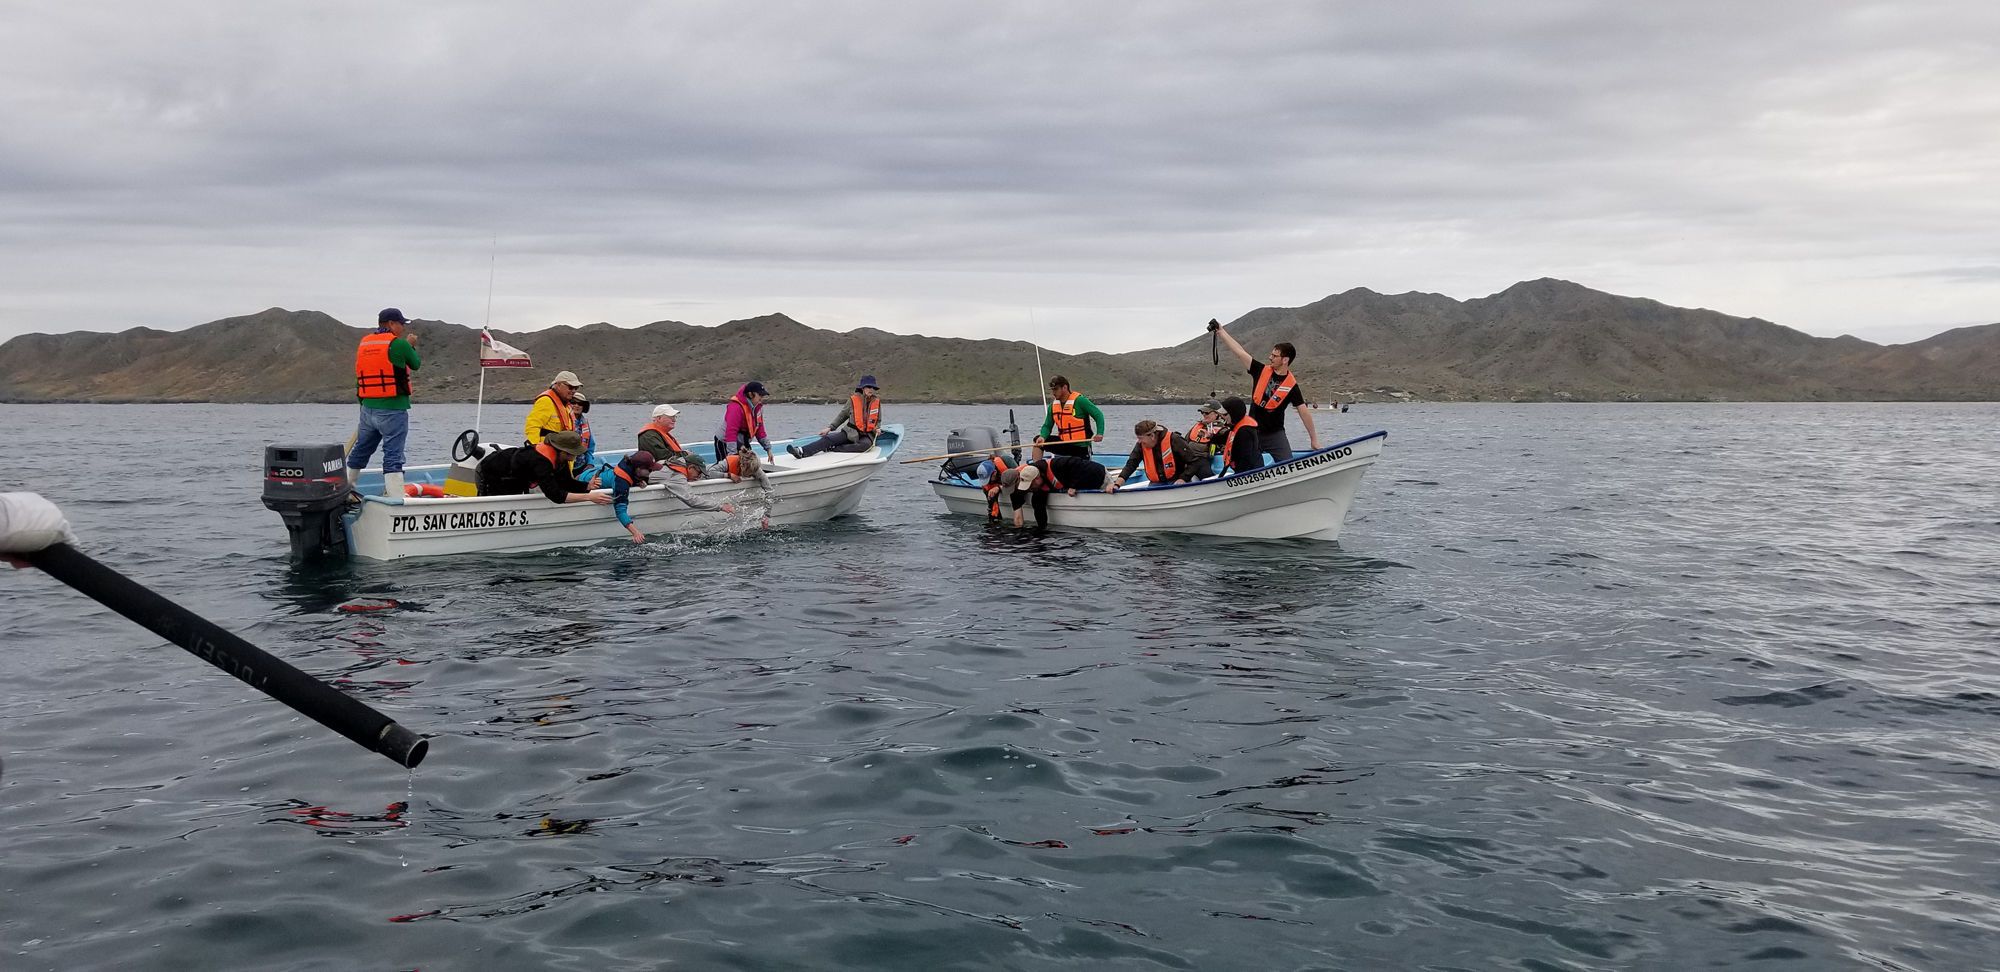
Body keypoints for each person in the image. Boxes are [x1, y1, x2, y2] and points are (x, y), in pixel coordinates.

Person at [1207, 319, 1321, 462]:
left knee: (1287, 463)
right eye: (1271, 354)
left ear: (1285, 360)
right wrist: (1221, 331)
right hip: (1252, 432)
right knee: (1246, 463)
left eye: (1274, 356)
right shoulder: (1260, 370)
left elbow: (1304, 412)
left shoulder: (1292, 387)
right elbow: (1240, 353)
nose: (1270, 357)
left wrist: (1314, 439)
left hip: (1275, 435)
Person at [347, 308, 422, 502]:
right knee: (393, 454)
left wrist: (364, 405)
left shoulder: (364, 343)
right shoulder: (399, 344)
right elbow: (415, 364)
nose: (403, 328)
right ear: (391, 324)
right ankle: (396, 498)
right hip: (393, 409)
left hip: (367, 408)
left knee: (361, 449)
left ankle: (346, 490)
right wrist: (411, 346)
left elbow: (360, 376)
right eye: (401, 324)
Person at [474, 431, 612, 506]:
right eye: (573, 453)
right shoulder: (540, 462)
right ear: (562, 451)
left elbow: (566, 483)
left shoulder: (561, 458)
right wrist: (589, 497)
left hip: (514, 475)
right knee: (502, 503)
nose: (575, 456)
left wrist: (587, 486)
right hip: (492, 473)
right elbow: (556, 496)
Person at [789, 375, 882, 458]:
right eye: (868, 387)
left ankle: (834, 448)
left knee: (865, 446)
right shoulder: (853, 400)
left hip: (867, 435)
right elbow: (842, 416)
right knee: (828, 439)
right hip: (850, 432)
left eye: (873, 387)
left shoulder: (876, 402)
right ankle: (801, 451)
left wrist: (877, 428)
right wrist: (830, 428)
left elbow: (878, 420)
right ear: (863, 388)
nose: (871, 389)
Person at [1005, 454, 1107, 528]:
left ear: (1037, 478)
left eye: (1030, 485)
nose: (1030, 488)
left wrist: (1073, 485)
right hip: (1082, 483)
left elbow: (1077, 462)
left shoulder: (1057, 465)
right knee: (1037, 502)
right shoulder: (1036, 485)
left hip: (1099, 476)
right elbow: (1038, 508)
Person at [1106, 420, 1209, 492]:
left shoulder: (1174, 440)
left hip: (1176, 482)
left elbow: (1194, 462)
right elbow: (1131, 464)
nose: (1139, 442)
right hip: (1155, 484)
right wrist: (1117, 484)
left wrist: (1183, 478)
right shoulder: (1141, 445)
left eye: (1141, 438)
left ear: (1152, 436)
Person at [597, 450, 665, 543]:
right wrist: (635, 533)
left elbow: (632, 475)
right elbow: (620, 511)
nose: (652, 471)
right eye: (649, 470)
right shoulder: (621, 483)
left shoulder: (630, 463)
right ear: (638, 469)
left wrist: (637, 481)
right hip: (585, 479)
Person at [1035, 375, 1104, 459]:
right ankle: (1036, 466)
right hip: (1063, 443)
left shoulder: (1080, 401)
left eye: (1056, 389)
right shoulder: (1053, 406)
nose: (1053, 392)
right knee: (1037, 441)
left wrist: (1099, 433)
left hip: (1080, 446)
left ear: (1064, 387)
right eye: (1052, 390)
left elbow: (1098, 415)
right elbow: (1047, 426)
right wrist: (1042, 436)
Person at [637, 404, 708, 479]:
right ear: (659, 418)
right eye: (671, 417)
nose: (674, 420)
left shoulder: (658, 433)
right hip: (659, 475)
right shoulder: (649, 436)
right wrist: (685, 454)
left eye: (674, 417)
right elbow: (663, 457)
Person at [715, 381, 776, 463]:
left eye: (763, 396)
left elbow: (759, 429)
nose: (761, 398)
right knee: (729, 466)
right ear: (750, 394)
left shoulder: (758, 408)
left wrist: (768, 449)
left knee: (748, 464)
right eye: (760, 395)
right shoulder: (736, 407)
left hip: (742, 442)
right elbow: (731, 432)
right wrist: (732, 455)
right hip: (725, 442)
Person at [525, 371, 583, 445]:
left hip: (560, 449)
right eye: (570, 387)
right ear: (558, 385)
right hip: (546, 449)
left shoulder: (566, 405)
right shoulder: (546, 401)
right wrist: (535, 447)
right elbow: (532, 426)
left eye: (576, 388)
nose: (573, 391)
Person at [1218, 396, 1263, 474]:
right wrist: (1211, 437)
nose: (1222, 417)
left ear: (1233, 414)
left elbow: (1246, 458)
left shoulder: (1244, 432)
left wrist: (1238, 474)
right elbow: (1223, 437)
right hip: (1241, 470)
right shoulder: (1235, 427)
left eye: (1225, 414)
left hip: (1250, 472)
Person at [973, 452, 1015, 521]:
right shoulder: (984, 471)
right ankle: (995, 521)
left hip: (1009, 482)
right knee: (989, 492)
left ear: (994, 473)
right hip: (998, 485)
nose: (988, 482)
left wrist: (999, 487)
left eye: (989, 479)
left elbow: (1018, 481)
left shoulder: (1007, 461)